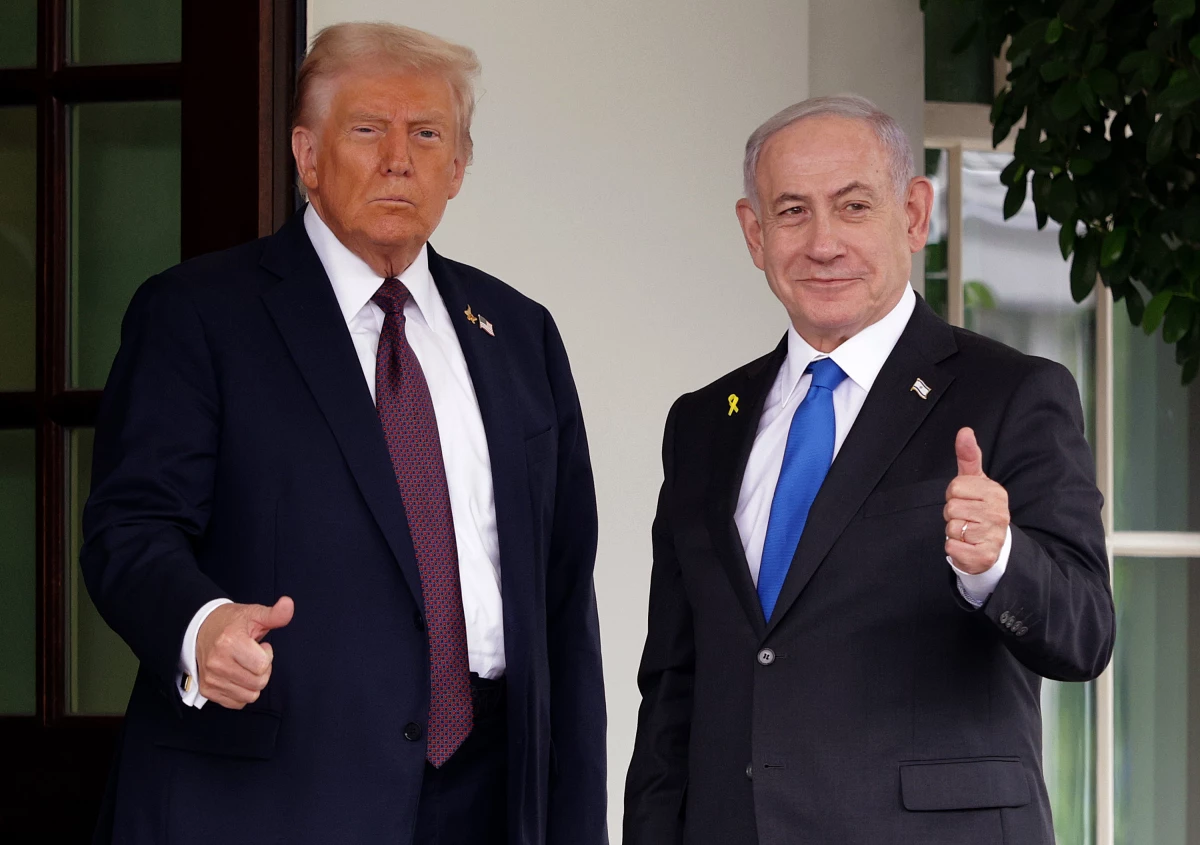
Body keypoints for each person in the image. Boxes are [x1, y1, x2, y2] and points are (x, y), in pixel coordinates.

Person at [81, 22, 606, 845]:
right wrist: (200, 625)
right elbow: (129, 529)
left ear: (458, 167)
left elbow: (565, 596)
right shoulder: (199, 314)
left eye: (428, 134)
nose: (400, 157)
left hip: (487, 796)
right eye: (368, 129)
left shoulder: (519, 333)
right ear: (307, 154)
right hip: (272, 800)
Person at [623, 95, 1114, 845]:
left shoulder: (1012, 393)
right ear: (754, 234)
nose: (823, 243)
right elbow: (672, 688)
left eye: (853, 206)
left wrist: (998, 562)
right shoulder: (701, 422)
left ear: (914, 215)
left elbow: (1085, 634)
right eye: (791, 212)